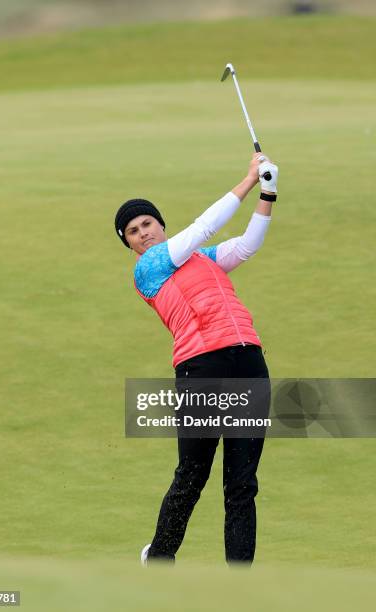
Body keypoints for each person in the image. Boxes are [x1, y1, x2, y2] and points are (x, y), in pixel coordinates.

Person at [115, 153, 278, 565]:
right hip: (201, 368)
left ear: (160, 224)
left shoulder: (202, 258)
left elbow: (246, 246)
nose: (143, 233)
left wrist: (268, 192)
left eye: (147, 223)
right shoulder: (150, 268)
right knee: (193, 474)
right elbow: (203, 226)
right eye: (133, 232)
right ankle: (160, 558)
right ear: (130, 244)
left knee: (242, 483)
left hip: (248, 362)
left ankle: (239, 582)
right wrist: (246, 181)